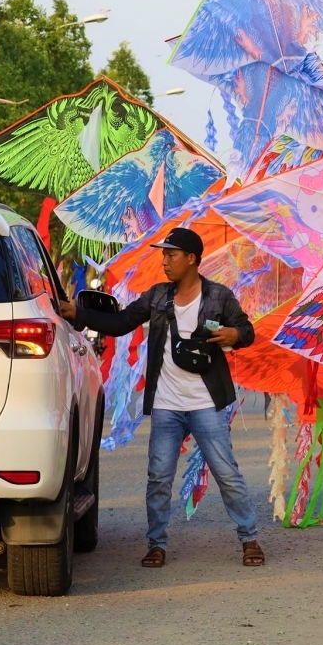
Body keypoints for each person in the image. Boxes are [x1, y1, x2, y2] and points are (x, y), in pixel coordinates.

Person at [59, 228, 264, 568]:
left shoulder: (218, 297)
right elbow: (123, 322)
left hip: (206, 402)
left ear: (192, 259)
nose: (165, 260)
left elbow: (247, 331)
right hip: (167, 404)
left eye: (171, 254)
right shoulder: (156, 296)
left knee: (227, 473)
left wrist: (235, 334)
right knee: (158, 478)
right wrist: (78, 315)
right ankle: (156, 543)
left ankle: (249, 539)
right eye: (163, 254)